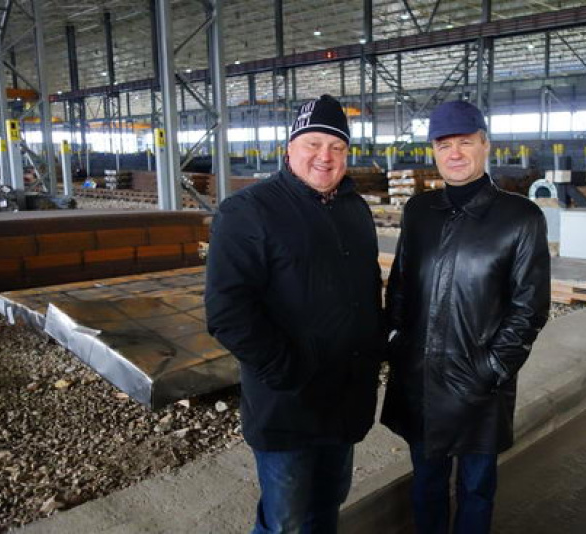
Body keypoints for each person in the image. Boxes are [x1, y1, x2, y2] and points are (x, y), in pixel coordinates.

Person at [205, 94, 384, 534]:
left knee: (327, 507)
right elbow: (227, 311)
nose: (325, 156)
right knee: (284, 521)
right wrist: (286, 370)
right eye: (313, 144)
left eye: (337, 147)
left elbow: (365, 292)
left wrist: (376, 349)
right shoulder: (248, 212)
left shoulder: (355, 210)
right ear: (289, 149)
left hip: (344, 400)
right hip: (288, 404)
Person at [381, 100, 551, 534]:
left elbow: (530, 307)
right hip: (421, 378)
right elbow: (400, 284)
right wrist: (396, 342)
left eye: (465, 142)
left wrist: (490, 368)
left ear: (485, 145)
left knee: (476, 489)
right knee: (427, 484)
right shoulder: (419, 212)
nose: (454, 153)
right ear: (433, 151)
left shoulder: (520, 218)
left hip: (479, 385)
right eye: (444, 145)